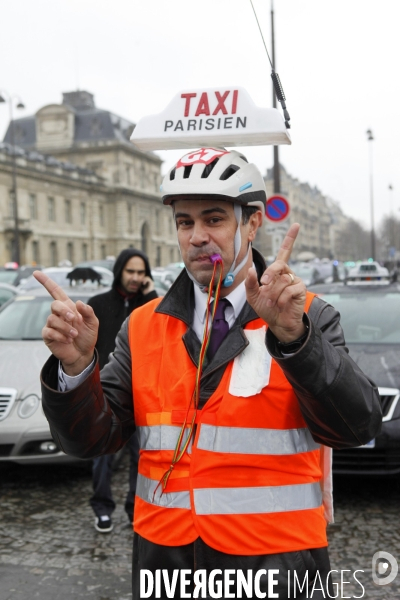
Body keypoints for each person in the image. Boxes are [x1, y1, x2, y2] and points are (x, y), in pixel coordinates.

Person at [35, 148, 381, 599]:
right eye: (185, 222)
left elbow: (356, 425)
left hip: (277, 565)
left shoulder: (308, 316)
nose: (197, 236)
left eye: (214, 219)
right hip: (166, 566)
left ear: (251, 224)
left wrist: (297, 340)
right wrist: (77, 369)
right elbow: (90, 440)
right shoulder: (142, 324)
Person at [87, 248, 157, 533]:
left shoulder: (152, 305)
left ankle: (134, 508)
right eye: (130, 271)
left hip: (144, 395)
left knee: (140, 457)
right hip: (108, 394)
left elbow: (164, 332)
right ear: (119, 271)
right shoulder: (99, 303)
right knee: (102, 458)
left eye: (141, 272)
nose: (136, 278)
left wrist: (151, 296)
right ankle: (102, 509)